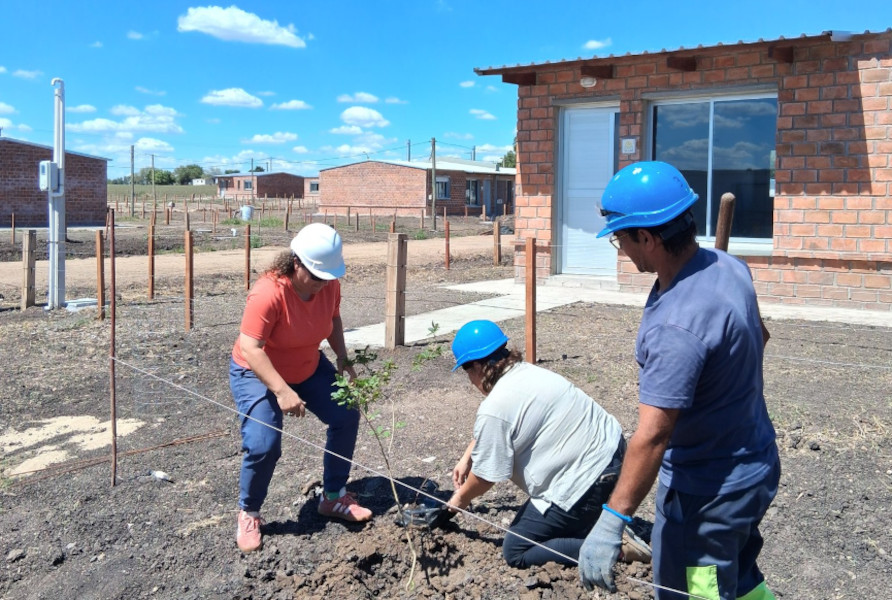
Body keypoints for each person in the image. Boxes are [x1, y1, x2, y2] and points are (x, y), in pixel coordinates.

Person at [579, 161, 780, 600]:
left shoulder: (677, 327)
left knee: (695, 591)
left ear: (647, 238)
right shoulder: (729, 267)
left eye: (620, 238)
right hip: (756, 465)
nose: (620, 249)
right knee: (740, 576)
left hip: (706, 496)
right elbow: (757, 336)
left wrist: (614, 519)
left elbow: (652, 436)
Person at [446, 320, 650, 568]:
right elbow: (507, 421)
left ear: (477, 366)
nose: (470, 380)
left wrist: (456, 504)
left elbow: (486, 477)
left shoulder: (495, 408)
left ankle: (613, 547)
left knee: (517, 549)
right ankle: (592, 519)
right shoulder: (527, 372)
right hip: (616, 455)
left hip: (590, 481)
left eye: (467, 371)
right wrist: (469, 454)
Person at [229, 223, 372, 554]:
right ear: (296, 263)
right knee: (264, 443)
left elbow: (332, 319)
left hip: (307, 365)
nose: (322, 285)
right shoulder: (268, 293)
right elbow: (252, 348)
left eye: (327, 277)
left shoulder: (328, 286)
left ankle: (333, 496)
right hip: (256, 370)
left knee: (346, 413)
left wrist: (342, 358)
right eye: (316, 277)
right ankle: (249, 513)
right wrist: (281, 391)